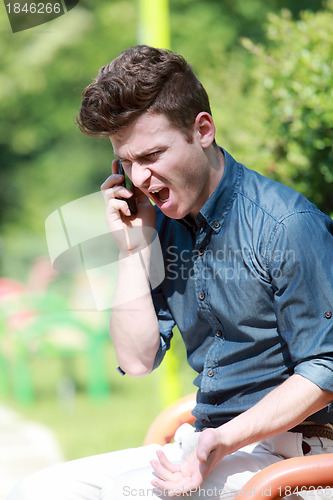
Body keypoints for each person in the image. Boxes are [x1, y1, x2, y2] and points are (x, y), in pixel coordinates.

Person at [8, 45, 333, 500]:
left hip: (294, 450)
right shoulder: (158, 224)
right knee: (35, 490)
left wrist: (223, 439)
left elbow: (325, 370)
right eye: (126, 161)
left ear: (202, 130)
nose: (139, 177)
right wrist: (132, 248)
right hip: (208, 441)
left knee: (126, 493)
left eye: (152, 155)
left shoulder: (286, 224)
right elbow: (137, 360)